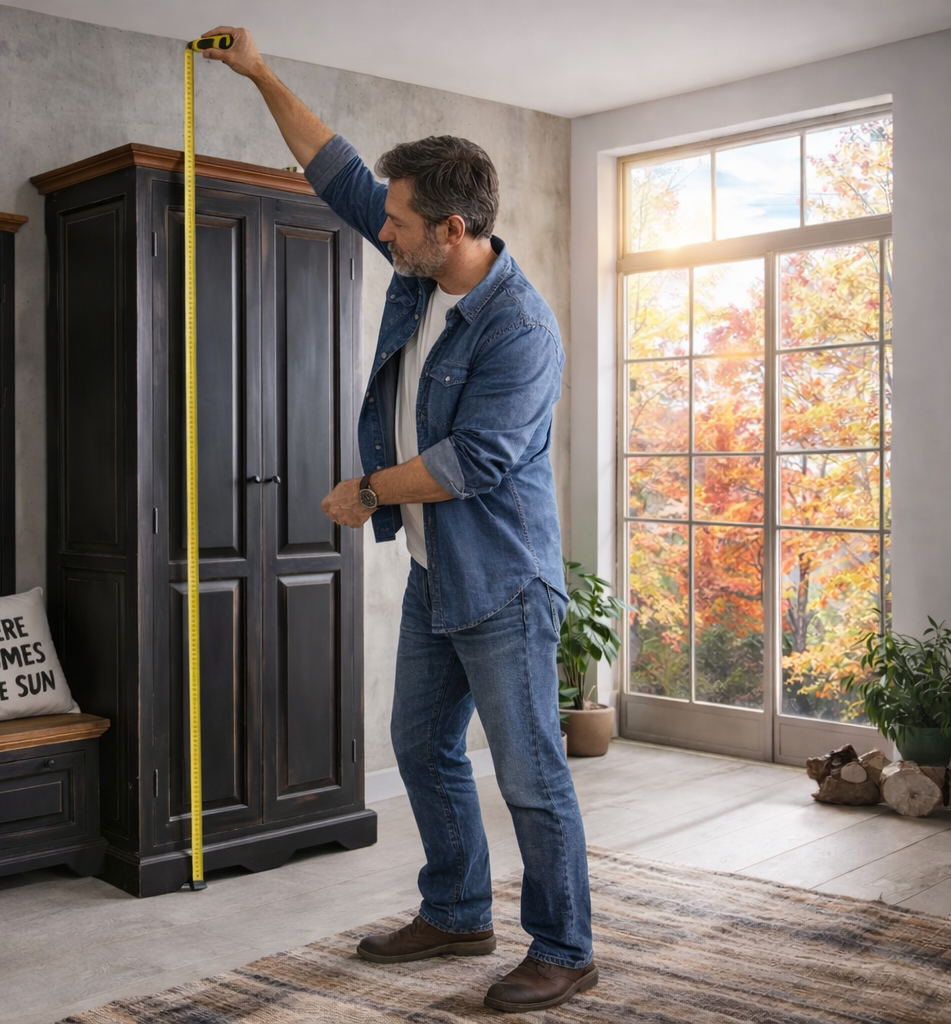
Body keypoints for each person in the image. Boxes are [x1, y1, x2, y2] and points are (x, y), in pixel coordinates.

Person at [202, 27, 595, 1014]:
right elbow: (335, 170)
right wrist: (258, 73)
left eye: (404, 224)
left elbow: (476, 461)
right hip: (437, 576)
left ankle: (566, 945)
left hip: (504, 587)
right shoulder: (422, 272)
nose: (387, 234)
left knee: (532, 771)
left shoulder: (519, 328)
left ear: (454, 229)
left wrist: (369, 490)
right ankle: (458, 909)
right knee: (419, 745)